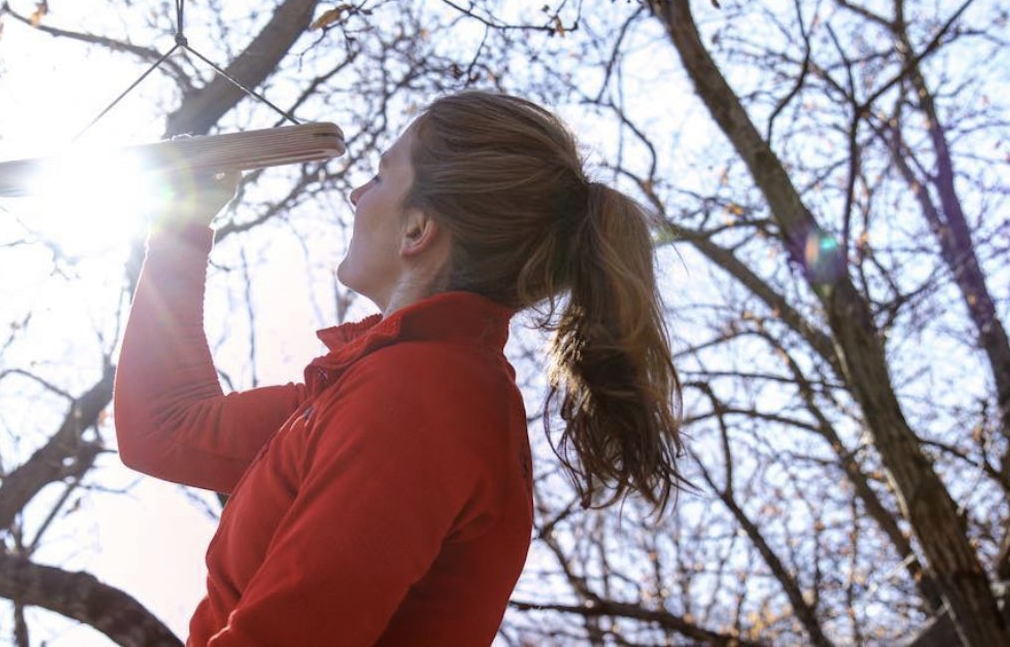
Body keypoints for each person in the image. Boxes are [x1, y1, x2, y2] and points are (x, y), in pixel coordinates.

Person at [114, 90, 683, 646]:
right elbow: (165, 429)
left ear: (418, 229)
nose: (357, 194)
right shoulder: (381, 383)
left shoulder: (422, 395)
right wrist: (181, 224)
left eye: (382, 177)